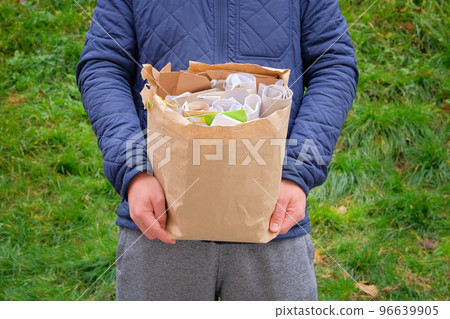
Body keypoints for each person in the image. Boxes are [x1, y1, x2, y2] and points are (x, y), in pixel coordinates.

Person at [76, 0, 358, 301]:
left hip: (272, 217)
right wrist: (134, 170)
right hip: (160, 217)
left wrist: (296, 172)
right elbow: (103, 66)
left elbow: (333, 66)